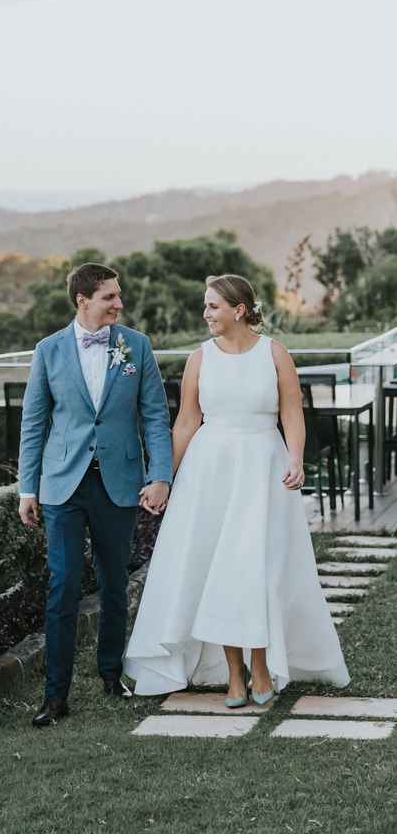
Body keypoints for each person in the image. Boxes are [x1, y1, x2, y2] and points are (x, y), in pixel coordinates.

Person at [123, 274, 349, 703]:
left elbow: (292, 413)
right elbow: (187, 421)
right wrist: (162, 478)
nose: (205, 313)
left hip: (264, 466)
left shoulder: (275, 354)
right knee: (216, 568)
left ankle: (261, 667)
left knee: (257, 566)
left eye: (212, 306)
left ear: (238, 310)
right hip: (210, 472)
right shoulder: (199, 359)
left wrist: (296, 458)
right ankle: (232, 673)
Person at [17, 262, 174, 727]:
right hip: (63, 484)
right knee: (62, 585)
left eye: (118, 296)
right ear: (82, 299)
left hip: (120, 482)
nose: (119, 304)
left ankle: (111, 674)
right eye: (110, 297)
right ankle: (55, 696)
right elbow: (34, 422)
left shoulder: (136, 346)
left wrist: (160, 475)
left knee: (113, 585)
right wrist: (29, 487)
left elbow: (154, 416)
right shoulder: (48, 351)